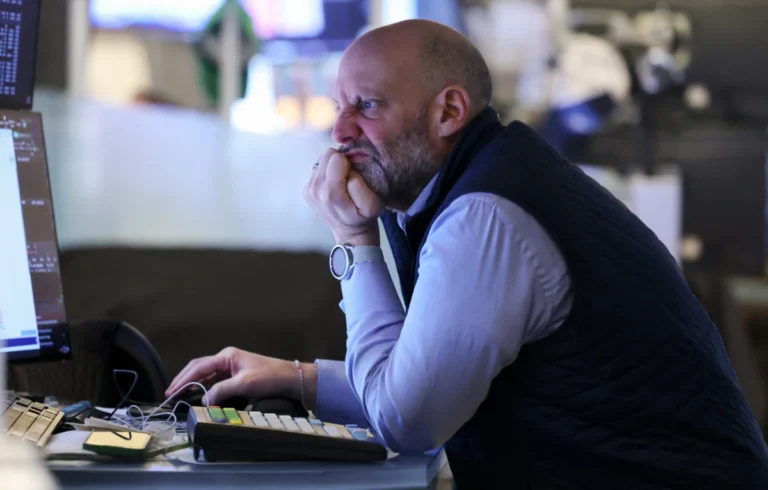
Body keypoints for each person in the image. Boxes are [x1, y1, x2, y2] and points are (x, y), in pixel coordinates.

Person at [168, 19, 768, 488]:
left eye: (367, 106)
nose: (340, 132)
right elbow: (428, 382)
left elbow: (408, 421)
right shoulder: (481, 183)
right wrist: (296, 379)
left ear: (449, 112)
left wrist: (353, 240)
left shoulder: (486, 216)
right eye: (339, 108)